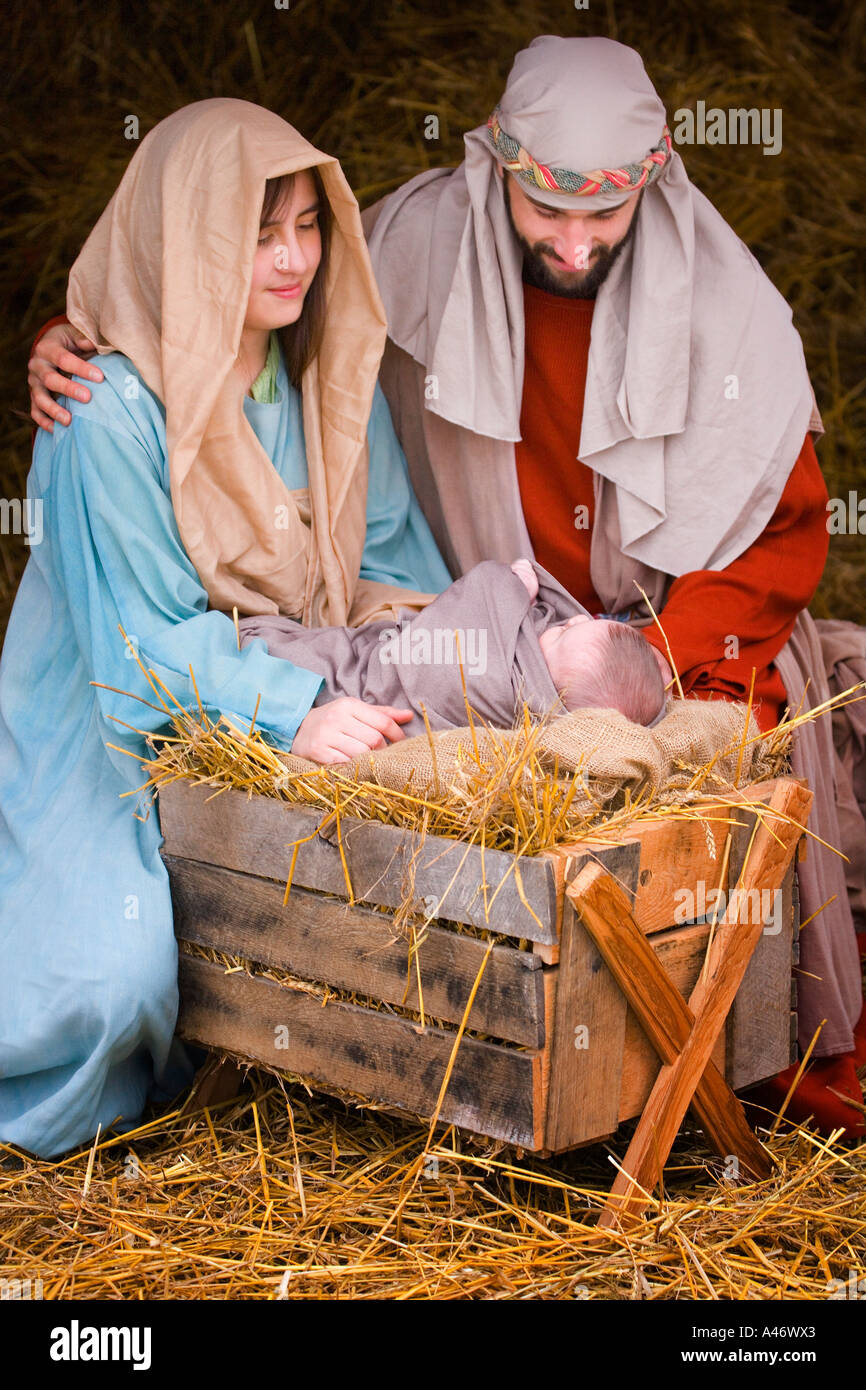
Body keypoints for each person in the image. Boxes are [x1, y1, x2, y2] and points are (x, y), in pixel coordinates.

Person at [27, 40, 866, 1133]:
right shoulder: (412, 246)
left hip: (660, 637)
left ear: (653, 178)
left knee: (702, 823)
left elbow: (773, 534)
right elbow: (199, 278)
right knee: (155, 967)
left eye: (601, 218)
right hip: (339, 652)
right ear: (494, 167)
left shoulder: (729, 315)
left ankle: (688, 1073)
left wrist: (602, 661)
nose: (571, 243)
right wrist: (70, 334)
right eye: (542, 209)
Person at [1, 98, 451, 1159]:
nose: (293, 258)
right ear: (187, 237)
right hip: (110, 723)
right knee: (112, 989)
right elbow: (137, 641)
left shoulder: (322, 378)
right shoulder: (100, 407)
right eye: (257, 233)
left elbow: (390, 564)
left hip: (292, 682)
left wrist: (410, 672)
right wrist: (292, 709)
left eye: (305, 225)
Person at [237, 558, 666, 749]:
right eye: (581, 620)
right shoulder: (537, 712)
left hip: (351, 679)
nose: (567, 620)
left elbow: (461, 610)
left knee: (289, 653)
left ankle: (248, 660)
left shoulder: (493, 682)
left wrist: (512, 585)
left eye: (559, 637)